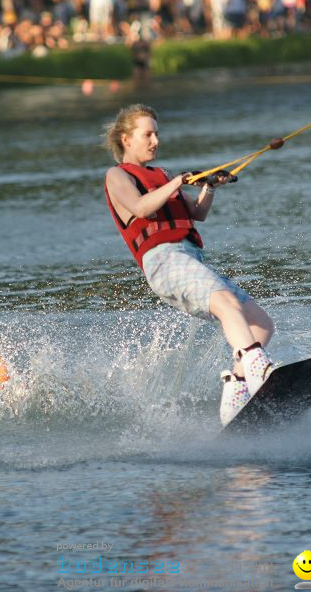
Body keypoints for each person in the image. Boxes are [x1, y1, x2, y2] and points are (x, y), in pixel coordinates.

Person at [103, 104, 276, 426]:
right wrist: (177, 183)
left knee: (261, 324)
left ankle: (237, 387)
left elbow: (197, 214)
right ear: (126, 139)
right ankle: (258, 368)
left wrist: (209, 186)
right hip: (163, 261)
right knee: (225, 303)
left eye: (157, 133)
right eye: (147, 134)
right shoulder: (118, 175)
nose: (155, 140)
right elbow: (141, 208)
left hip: (189, 257)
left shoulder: (161, 175)